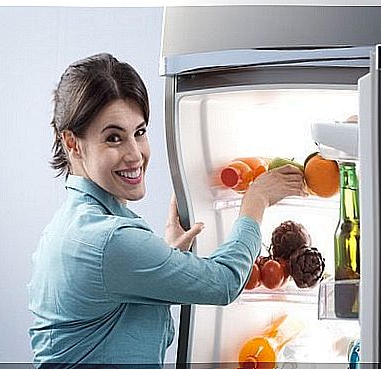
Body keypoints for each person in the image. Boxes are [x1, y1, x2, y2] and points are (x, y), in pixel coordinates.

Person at [28, 53, 306, 367]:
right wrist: (256, 201)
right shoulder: (109, 240)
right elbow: (225, 282)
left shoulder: (72, 226)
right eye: (114, 138)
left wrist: (168, 256)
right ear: (72, 143)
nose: (135, 154)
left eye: (140, 132)